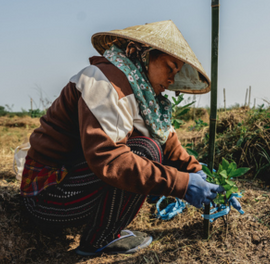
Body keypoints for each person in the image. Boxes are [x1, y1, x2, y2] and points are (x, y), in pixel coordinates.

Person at [20, 20, 225, 256]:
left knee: (150, 147)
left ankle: (104, 229)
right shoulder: (104, 81)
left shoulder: (144, 96)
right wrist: (181, 184)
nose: (171, 80)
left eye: (176, 73)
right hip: (47, 195)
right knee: (145, 151)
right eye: (169, 68)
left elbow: (168, 144)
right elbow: (110, 160)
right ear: (140, 54)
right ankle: (99, 240)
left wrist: (199, 174)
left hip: (76, 182)